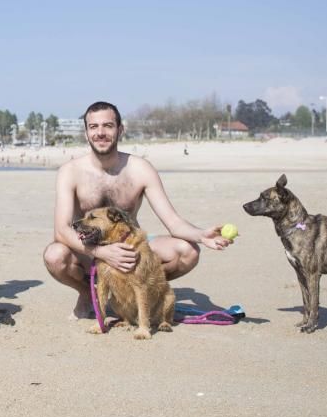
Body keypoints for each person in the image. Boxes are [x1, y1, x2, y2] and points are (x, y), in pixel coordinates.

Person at [42, 101, 233, 319]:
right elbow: (61, 231)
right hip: (90, 249)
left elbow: (173, 221)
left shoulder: (140, 169)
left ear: (120, 129)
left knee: (187, 252)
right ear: (86, 133)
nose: (100, 133)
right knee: (55, 255)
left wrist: (201, 235)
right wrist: (101, 252)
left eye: (108, 126)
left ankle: (137, 290)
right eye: (93, 127)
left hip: (131, 247)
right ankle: (88, 294)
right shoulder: (70, 171)